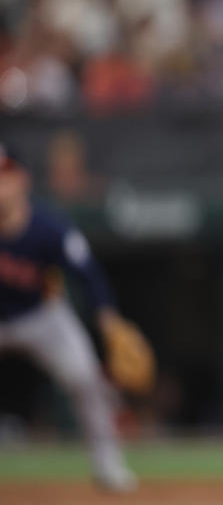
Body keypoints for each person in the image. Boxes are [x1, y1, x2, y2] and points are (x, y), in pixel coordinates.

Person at [0, 141, 148, 493]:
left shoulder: (49, 228)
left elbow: (87, 274)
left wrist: (109, 320)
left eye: (5, 174)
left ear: (22, 180)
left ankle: (108, 465)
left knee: (85, 377)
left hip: (40, 316)